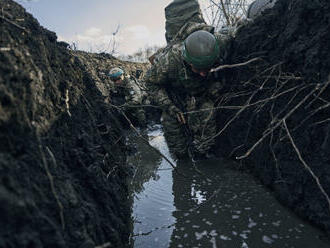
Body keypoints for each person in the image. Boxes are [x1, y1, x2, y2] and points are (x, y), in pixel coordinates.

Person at [145, 22, 233, 160]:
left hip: (203, 94)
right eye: (198, 69)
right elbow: (150, 83)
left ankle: (202, 154)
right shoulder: (169, 62)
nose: (204, 73)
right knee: (178, 149)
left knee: (207, 119)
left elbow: (240, 30)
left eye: (207, 68)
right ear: (187, 61)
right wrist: (169, 106)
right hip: (175, 97)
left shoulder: (221, 42)